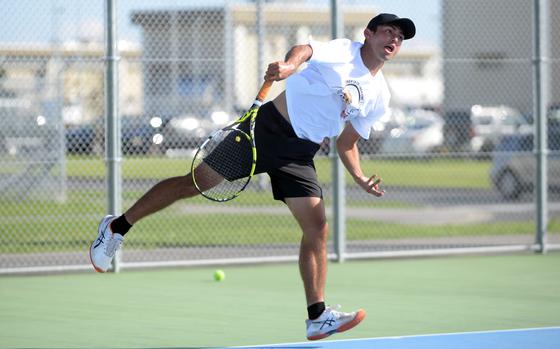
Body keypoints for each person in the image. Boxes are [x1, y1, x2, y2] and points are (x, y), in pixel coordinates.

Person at [89, 13, 415, 341]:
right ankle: (117, 227)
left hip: (300, 154)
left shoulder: (380, 96)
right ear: (369, 34)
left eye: (400, 38)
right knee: (195, 183)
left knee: (317, 228)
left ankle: (317, 317)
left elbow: (348, 142)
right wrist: (289, 66)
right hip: (265, 131)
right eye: (388, 32)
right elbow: (305, 50)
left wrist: (358, 176)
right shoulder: (345, 51)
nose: (394, 40)